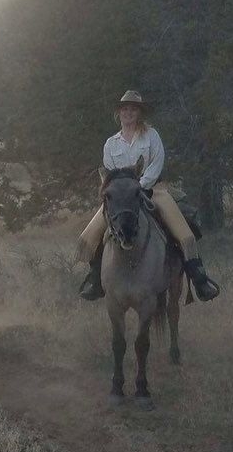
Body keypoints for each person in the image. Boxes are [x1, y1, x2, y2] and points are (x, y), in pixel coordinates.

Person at [77, 90, 220, 302]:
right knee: (88, 237)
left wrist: (139, 185)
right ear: (119, 113)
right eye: (124, 109)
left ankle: (199, 278)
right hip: (121, 197)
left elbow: (156, 164)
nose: (128, 113)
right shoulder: (111, 144)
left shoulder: (151, 135)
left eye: (133, 109)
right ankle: (96, 278)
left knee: (185, 233)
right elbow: (108, 175)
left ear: (139, 112)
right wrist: (123, 190)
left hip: (154, 190)